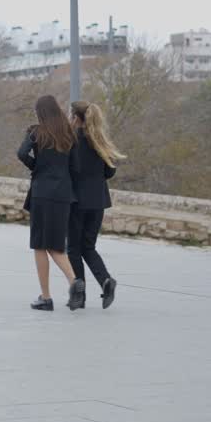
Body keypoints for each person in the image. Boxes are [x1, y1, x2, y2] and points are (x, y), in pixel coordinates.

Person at [17, 95, 85, 311]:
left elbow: (21, 153)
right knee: (56, 245)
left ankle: (47, 297)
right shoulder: (69, 135)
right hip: (63, 195)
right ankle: (74, 281)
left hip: (42, 193)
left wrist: (36, 166)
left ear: (41, 113)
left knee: (39, 245)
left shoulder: (36, 132)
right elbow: (76, 169)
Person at [68, 101, 124, 310]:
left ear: (76, 118)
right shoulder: (101, 141)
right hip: (98, 202)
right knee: (88, 247)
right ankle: (106, 281)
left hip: (76, 202)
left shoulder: (71, 140)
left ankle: (79, 296)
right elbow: (110, 172)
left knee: (73, 248)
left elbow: (67, 169)